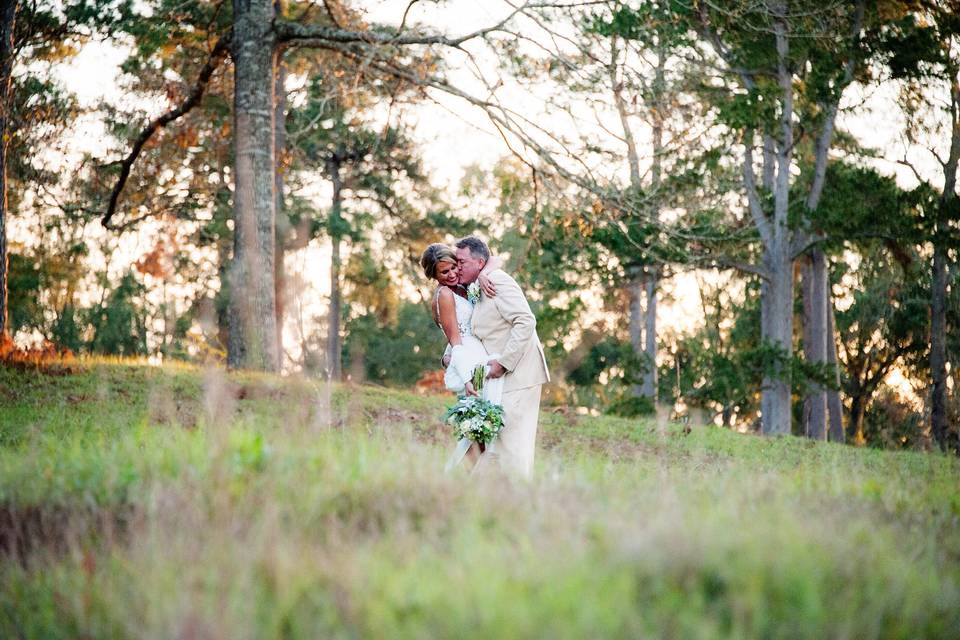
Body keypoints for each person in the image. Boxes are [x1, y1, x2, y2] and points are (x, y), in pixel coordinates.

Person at [453, 236, 549, 478]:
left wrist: (504, 363)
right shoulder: (475, 287)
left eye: (462, 261)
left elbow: (525, 321)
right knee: (494, 440)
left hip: (519, 375)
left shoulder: (497, 281)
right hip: (498, 380)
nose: (457, 266)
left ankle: (514, 498)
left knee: (511, 443)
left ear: (479, 262)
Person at [419, 243, 501, 470]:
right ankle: (457, 478)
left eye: (454, 267)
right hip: (470, 366)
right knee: (479, 428)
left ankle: (467, 481)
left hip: (480, 358)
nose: (453, 274)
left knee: (484, 429)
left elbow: (494, 259)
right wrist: (467, 379)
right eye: (444, 272)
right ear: (433, 276)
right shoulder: (445, 294)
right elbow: (455, 341)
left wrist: (483, 275)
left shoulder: (462, 287)